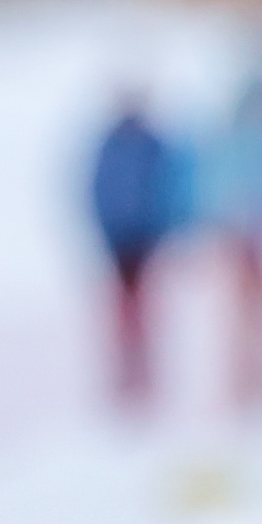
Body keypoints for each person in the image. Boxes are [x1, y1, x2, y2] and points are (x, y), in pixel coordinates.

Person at [85, 93, 182, 413]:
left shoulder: (152, 144)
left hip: (146, 238)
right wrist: (104, 230)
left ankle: (146, 379)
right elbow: (98, 190)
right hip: (118, 239)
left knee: (147, 311)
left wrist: (162, 229)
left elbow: (167, 187)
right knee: (122, 312)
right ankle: (123, 379)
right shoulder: (111, 144)